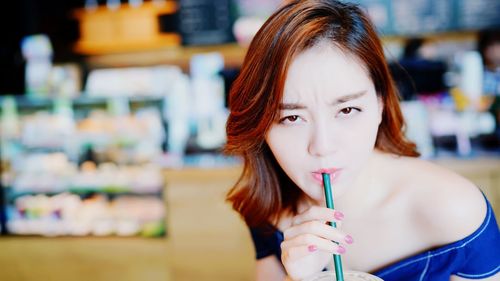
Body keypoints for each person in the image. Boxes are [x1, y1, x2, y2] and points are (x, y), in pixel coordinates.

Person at [224, 1, 500, 280]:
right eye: (292, 118)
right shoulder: (268, 209)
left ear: (380, 104)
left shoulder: (453, 210)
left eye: (346, 110)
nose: (322, 146)